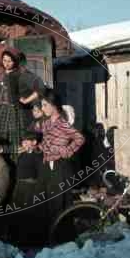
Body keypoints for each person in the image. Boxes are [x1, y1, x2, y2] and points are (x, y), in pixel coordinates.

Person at [38, 89, 85, 240]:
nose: (42, 108)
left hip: (60, 167)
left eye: (45, 105)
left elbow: (79, 139)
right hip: (47, 166)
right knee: (49, 204)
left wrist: (67, 151)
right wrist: (38, 147)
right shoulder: (46, 124)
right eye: (42, 105)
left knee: (61, 204)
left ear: (53, 105)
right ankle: (52, 238)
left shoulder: (62, 123)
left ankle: (65, 238)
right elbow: (45, 143)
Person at [0, 48, 38, 162]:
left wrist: (26, 100)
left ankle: (15, 166)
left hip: (15, 111)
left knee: (14, 139)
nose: (6, 63)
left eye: (9, 61)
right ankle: (0, 166)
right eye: (4, 60)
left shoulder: (22, 73)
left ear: (15, 61)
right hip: (0, 111)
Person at [9, 131, 47, 246]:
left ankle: (31, 240)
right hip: (20, 187)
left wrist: (37, 190)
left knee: (29, 214)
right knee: (17, 213)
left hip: (31, 188)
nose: (23, 143)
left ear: (34, 142)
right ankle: (17, 238)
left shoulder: (38, 155)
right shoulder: (23, 155)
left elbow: (41, 174)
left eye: (26, 141)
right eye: (23, 141)